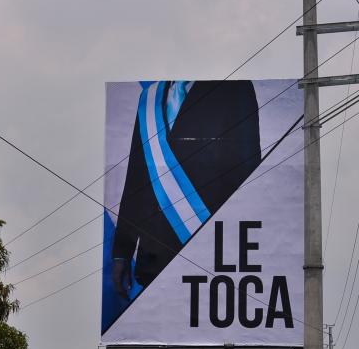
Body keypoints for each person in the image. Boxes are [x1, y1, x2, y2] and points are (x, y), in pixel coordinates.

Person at [111, 80, 262, 301]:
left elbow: (248, 175)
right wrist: (122, 253)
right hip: (154, 259)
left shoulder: (235, 89)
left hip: (209, 253)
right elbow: (137, 176)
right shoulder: (149, 99)